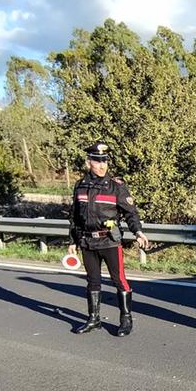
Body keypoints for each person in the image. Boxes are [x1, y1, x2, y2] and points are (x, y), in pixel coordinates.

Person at [68, 143, 149, 336]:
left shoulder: (116, 187)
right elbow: (75, 217)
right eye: (97, 160)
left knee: (119, 280)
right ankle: (94, 319)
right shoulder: (80, 186)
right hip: (87, 242)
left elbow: (131, 214)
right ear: (89, 162)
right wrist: (72, 242)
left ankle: (126, 319)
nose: (102, 165)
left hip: (110, 242)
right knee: (92, 281)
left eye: (104, 160)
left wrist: (138, 232)